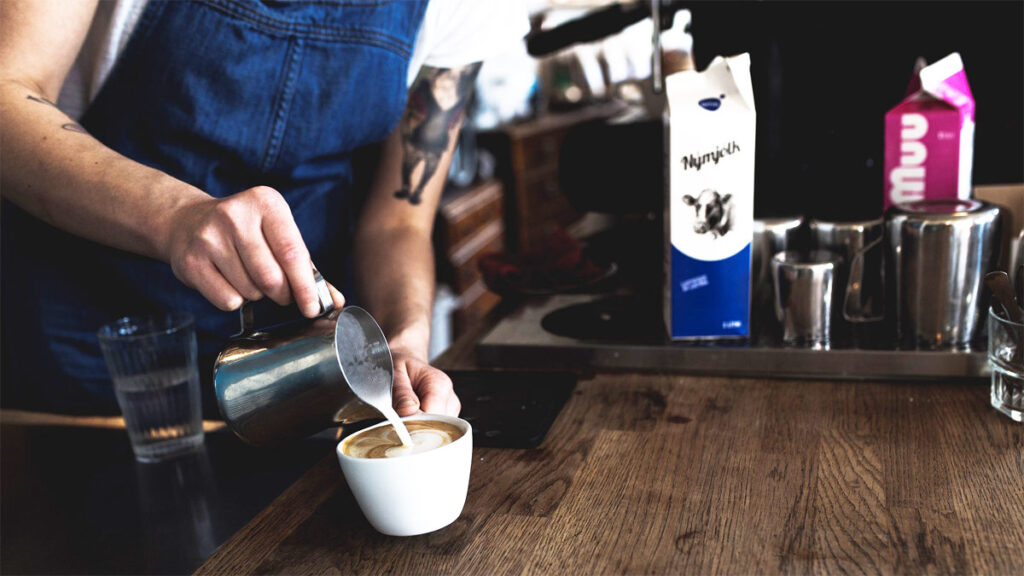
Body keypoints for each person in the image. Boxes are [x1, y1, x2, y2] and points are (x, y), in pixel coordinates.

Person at [0, 0, 529, 418]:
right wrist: (175, 215)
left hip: (305, 369)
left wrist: (404, 339)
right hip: (95, 348)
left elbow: (399, 219)